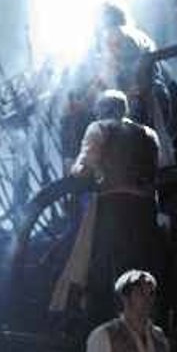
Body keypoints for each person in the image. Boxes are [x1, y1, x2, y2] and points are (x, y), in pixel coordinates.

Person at [68, 90, 162, 327]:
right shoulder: (148, 133)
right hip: (146, 209)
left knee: (104, 264)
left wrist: (74, 172)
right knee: (141, 264)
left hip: (114, 205)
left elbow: (84, 168)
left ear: (101, 110)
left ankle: (104, 320)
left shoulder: (98, 129)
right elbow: (159, 167)